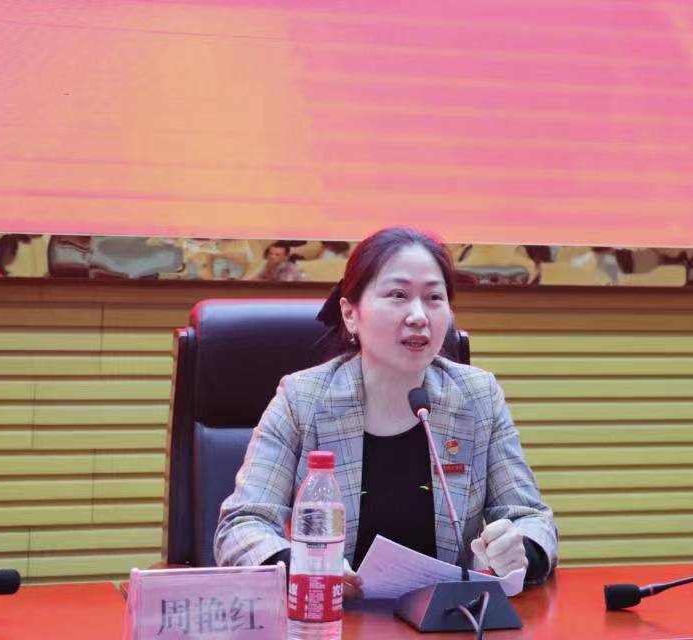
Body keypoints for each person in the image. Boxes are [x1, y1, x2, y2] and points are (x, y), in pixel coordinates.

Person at [214, 227, 558, 598]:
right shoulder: (302, 399)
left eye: (434, 297)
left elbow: (531, 518)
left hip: (446, 618)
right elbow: (242, 525)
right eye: (398, 295)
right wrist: (303, 565)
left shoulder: (478, 396)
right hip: (333, 617)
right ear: (350, 313)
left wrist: (521, 549)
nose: (418, 316)